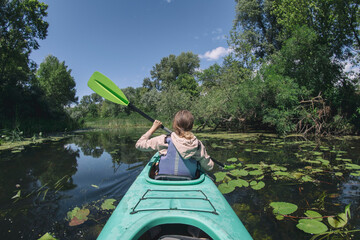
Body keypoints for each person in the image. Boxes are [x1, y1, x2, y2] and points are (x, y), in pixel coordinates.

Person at [135, 110, 214, 179]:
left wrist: (153, 128)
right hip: (189, 180)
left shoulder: (163, 140)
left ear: (174, 125)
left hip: (162, 178)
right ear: (192, 126)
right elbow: (209, 167)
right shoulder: (198, 145)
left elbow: (139, 144)